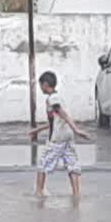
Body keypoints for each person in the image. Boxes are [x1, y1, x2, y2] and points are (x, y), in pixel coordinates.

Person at [28, 71, 89, 200]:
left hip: (57, 138)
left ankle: (39, 193)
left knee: (42, 164)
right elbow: (55, 121)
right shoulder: (60, 97)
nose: (40, 88)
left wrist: (77, 129)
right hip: (68, 136)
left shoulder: (52, 99)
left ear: (45, 85)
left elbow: (62, 114)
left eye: (41, 85)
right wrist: (37, 130)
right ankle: (76, 195)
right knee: (72, 165)